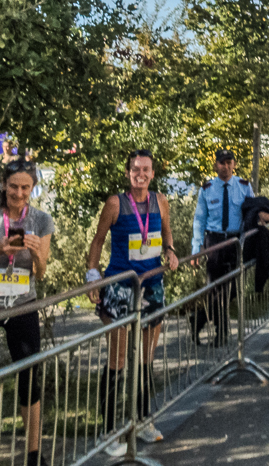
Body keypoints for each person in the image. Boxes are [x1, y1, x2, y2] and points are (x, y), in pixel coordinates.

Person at [86, 150, 180, 452]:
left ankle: (142, 420)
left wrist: (170, 250)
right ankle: (108, 430)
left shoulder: (160, 201)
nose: (141, 174)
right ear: (128, 173)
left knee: (145, 359)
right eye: (136, 169)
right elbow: (98, 240)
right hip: (121, 288)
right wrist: (93, 275)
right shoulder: (116, 203)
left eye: (146, 169)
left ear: (153, 173)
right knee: (117, 359)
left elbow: (166, 233)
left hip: (151, 285)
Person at [0, 160, 53, 466]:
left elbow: (40, 274)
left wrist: (39, 255)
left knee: (29, 377)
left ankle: (33, 453)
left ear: (32, 188)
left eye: (25, 187)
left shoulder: (41, 220)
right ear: (4, 185)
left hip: (23, 305)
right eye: (13, 186)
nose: (19, 193)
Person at [190, 150, 269, 346]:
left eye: (229, 162)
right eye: (221, 163)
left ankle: (199, 319)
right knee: (216, 288)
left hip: (236, 242)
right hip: (215, 242)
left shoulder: (243, 186)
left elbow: (252, 209)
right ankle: (222, 333)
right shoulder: (207, 189)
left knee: (231, 289)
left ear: (234, 164)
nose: (225, 166)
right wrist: (196, 246)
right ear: (216, 165)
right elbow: (199, 219)